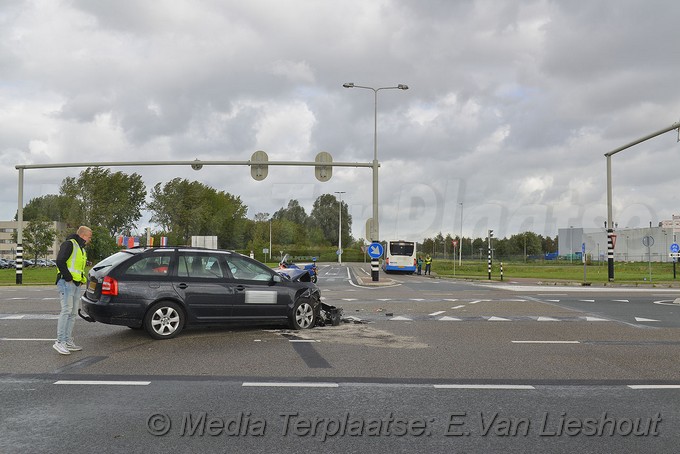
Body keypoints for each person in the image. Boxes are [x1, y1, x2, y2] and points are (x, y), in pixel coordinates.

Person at [53, 226, 92, 355]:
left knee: (73, 313)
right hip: (66, 282)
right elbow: (60, 261)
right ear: (83, 235)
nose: (90, 239)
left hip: (75, 284)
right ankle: (60, 342)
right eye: (89, 236)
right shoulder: (70, 244)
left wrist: (81, 280)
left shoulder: (81, 249)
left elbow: (78, 267)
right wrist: (68, 277)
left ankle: (67, 341)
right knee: (66, 311)